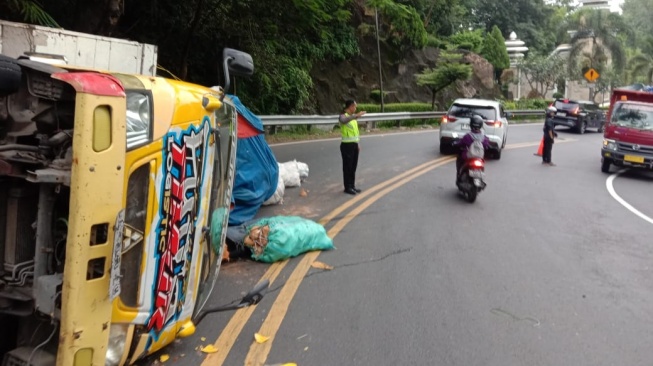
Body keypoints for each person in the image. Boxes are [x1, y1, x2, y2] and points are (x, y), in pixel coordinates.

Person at [338, 99, 366, 195]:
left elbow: (355, 133)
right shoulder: (343, 116)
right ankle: (347, 187)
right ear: (350, 106)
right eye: (355, 106)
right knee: (347, 167)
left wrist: (357, 143)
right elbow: (344, 121)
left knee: (353, 167)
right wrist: (356, 115)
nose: (356, 108)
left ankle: (352, 186)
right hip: (346, 146)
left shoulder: (353, 118)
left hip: (354, 145)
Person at [455, 115, 490, 181]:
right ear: (481, 125)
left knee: (459, 159)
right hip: (480, 157)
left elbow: (460, 143)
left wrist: (455, 143)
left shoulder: (467, 136)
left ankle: (459, 174)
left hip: (468, 157)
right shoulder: (484, 138)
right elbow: (486, 145)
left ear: (471, 124)